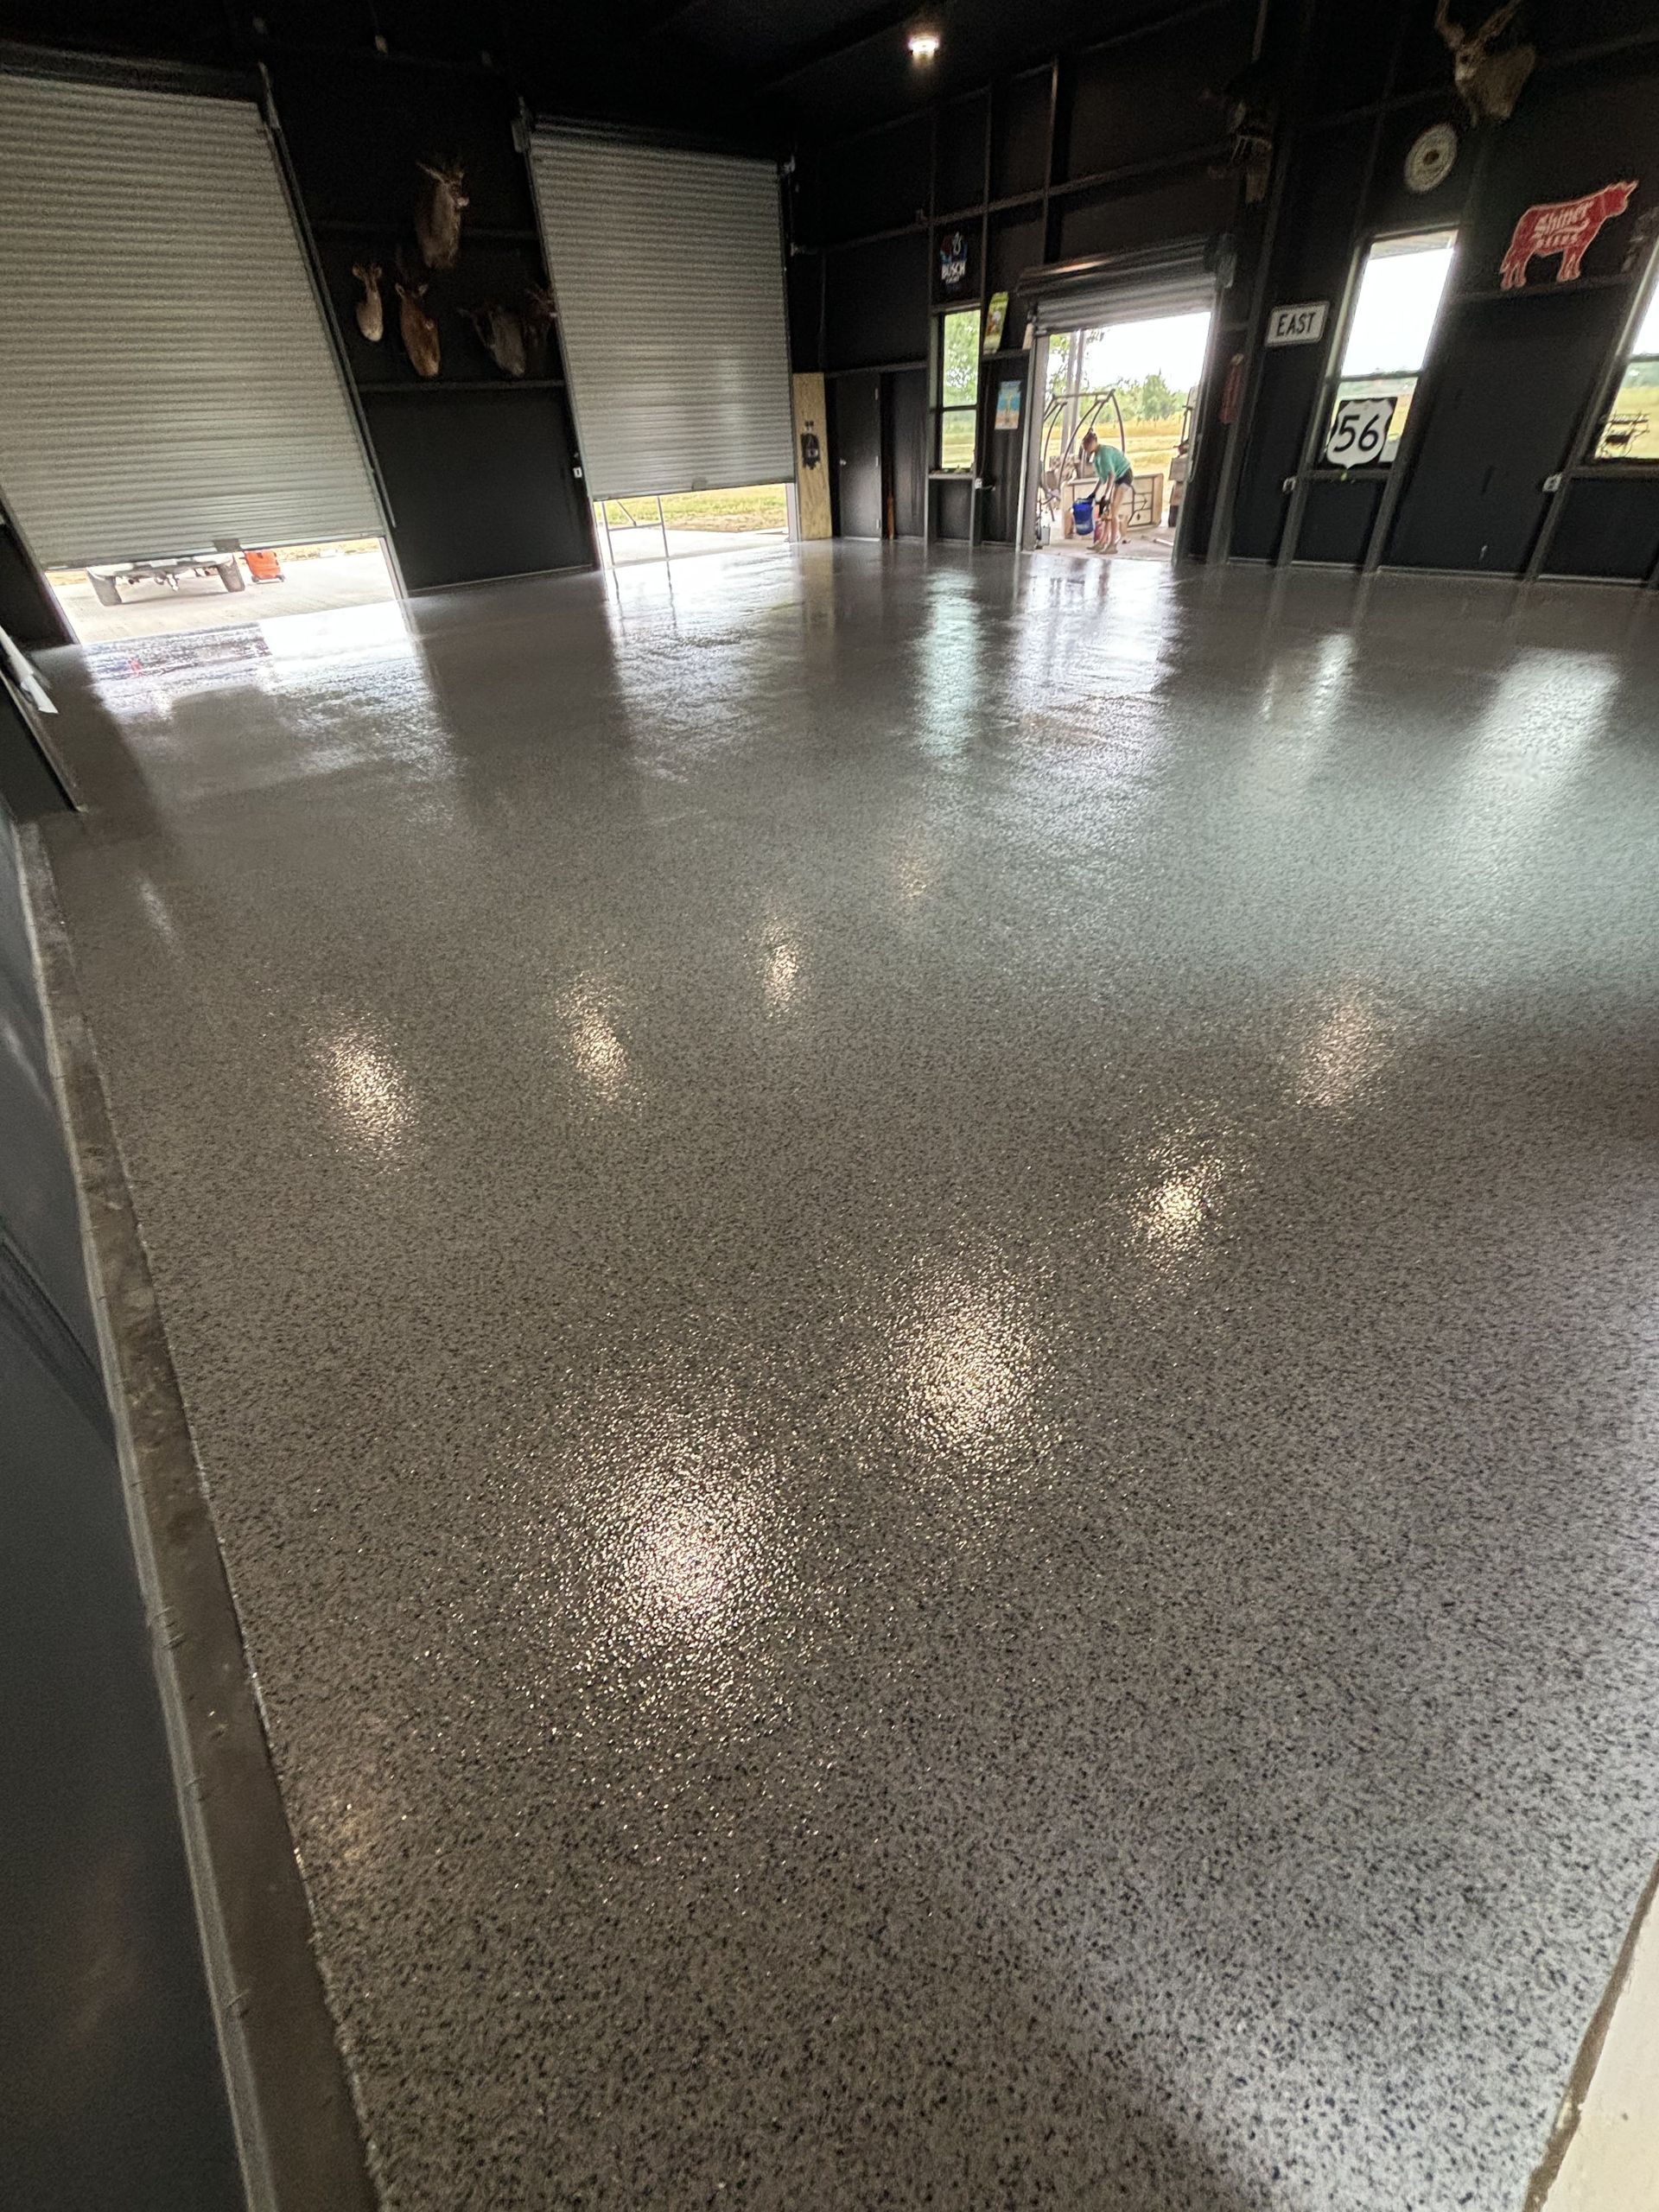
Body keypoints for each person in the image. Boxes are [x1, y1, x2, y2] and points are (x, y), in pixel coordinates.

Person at [1080, 429, 1133, 550]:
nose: (1086, 449)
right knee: (1106, 511)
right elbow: (1102, 478)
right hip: (1117, 479)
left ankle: (1112, 545)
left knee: (1113, 510)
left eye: (1086, 446)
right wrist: (1094, 492)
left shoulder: (1104, 453)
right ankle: (1102, 541)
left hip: (1124, 476)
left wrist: (1107, 493)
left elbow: (1112, 475)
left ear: (1093, 443)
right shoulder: (1097, 458)